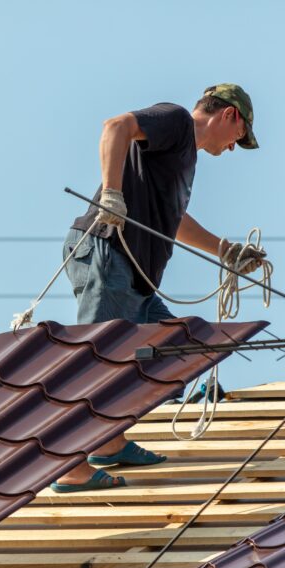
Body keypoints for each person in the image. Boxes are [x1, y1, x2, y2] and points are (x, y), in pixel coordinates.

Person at [51, 83, 266, 493]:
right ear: (230, 116)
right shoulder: (177, 121)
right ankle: (71, 466)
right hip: (109, 253)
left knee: (177, 350)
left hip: (136, 278)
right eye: (240, 136)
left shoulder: (183, 156)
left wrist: (226, 251)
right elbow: (116, 126)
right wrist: (111, 196)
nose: (235, 147)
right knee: (100, 361)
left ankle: (110, 442)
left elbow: (174, 218)